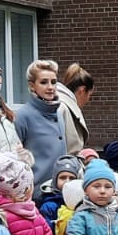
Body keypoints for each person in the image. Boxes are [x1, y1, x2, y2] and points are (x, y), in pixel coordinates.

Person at [17, 60, 70, 189]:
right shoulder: (22, 116)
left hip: (60, 191)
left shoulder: (59, 112)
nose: (50, 87)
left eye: (53, 82)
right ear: (32, 86)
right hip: (36, 193)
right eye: (43, 82)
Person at [57, 63, 95, 153]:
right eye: (89, 95)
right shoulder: (62, 108)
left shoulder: (63, 106)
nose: (88, 100)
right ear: (82, 91)